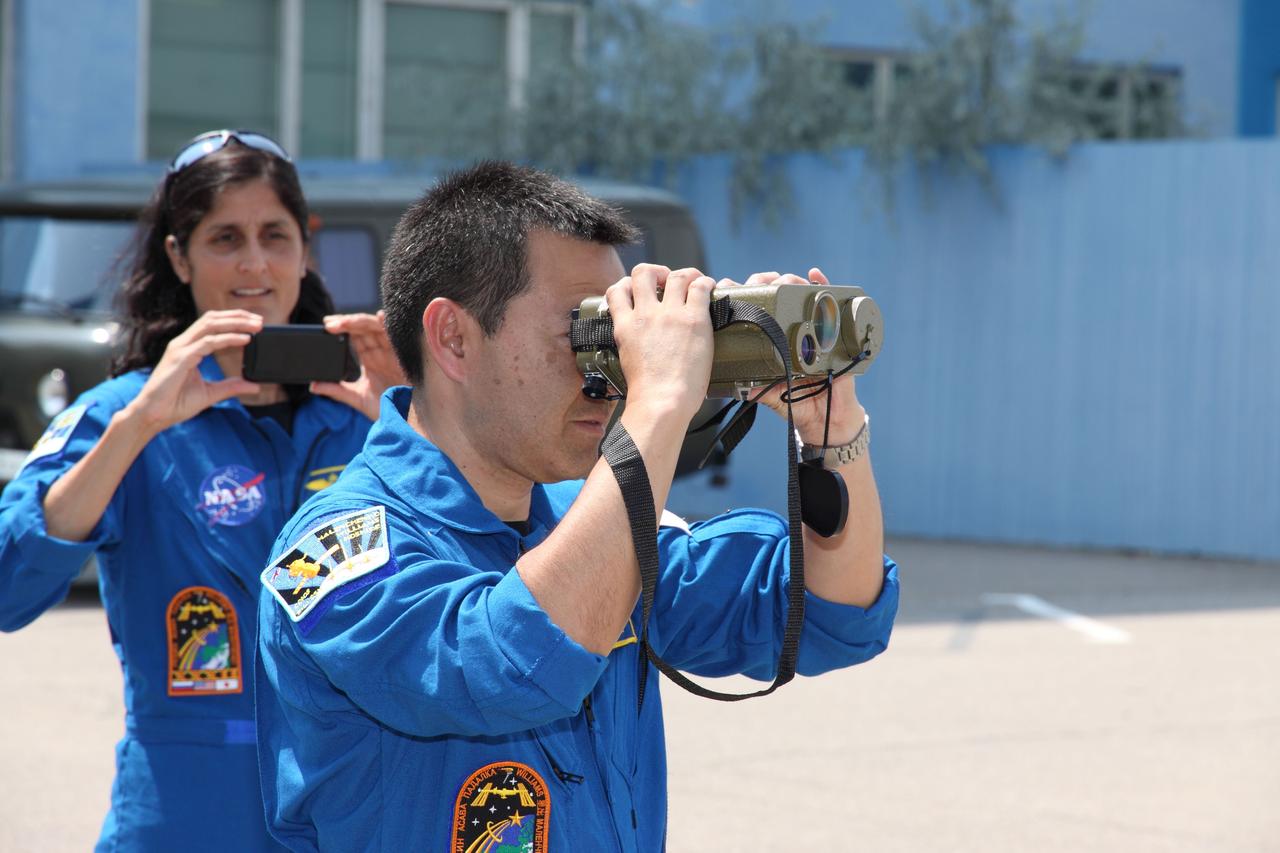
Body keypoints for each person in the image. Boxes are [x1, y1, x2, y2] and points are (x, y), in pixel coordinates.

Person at [254, 161, 899, 852]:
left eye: (616, 337)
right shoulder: (337, 549)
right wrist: (656, 408)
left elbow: (831, 613)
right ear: (454, 339)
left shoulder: (583, 515)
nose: (609, 375)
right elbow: (508, 663)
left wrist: (830, 432)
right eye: (584, 332)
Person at [0, 130, 404, 852]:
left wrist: (409, 426)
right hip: (184, 815)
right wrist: (138, 426)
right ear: (178, 256)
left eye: (274, 235)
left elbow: (485, 582)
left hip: (349, 808)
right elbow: (8, 586)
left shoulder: (373, 414)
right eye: (224, 238)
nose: (254, 263)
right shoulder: (122, 415)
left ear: (305, 250)